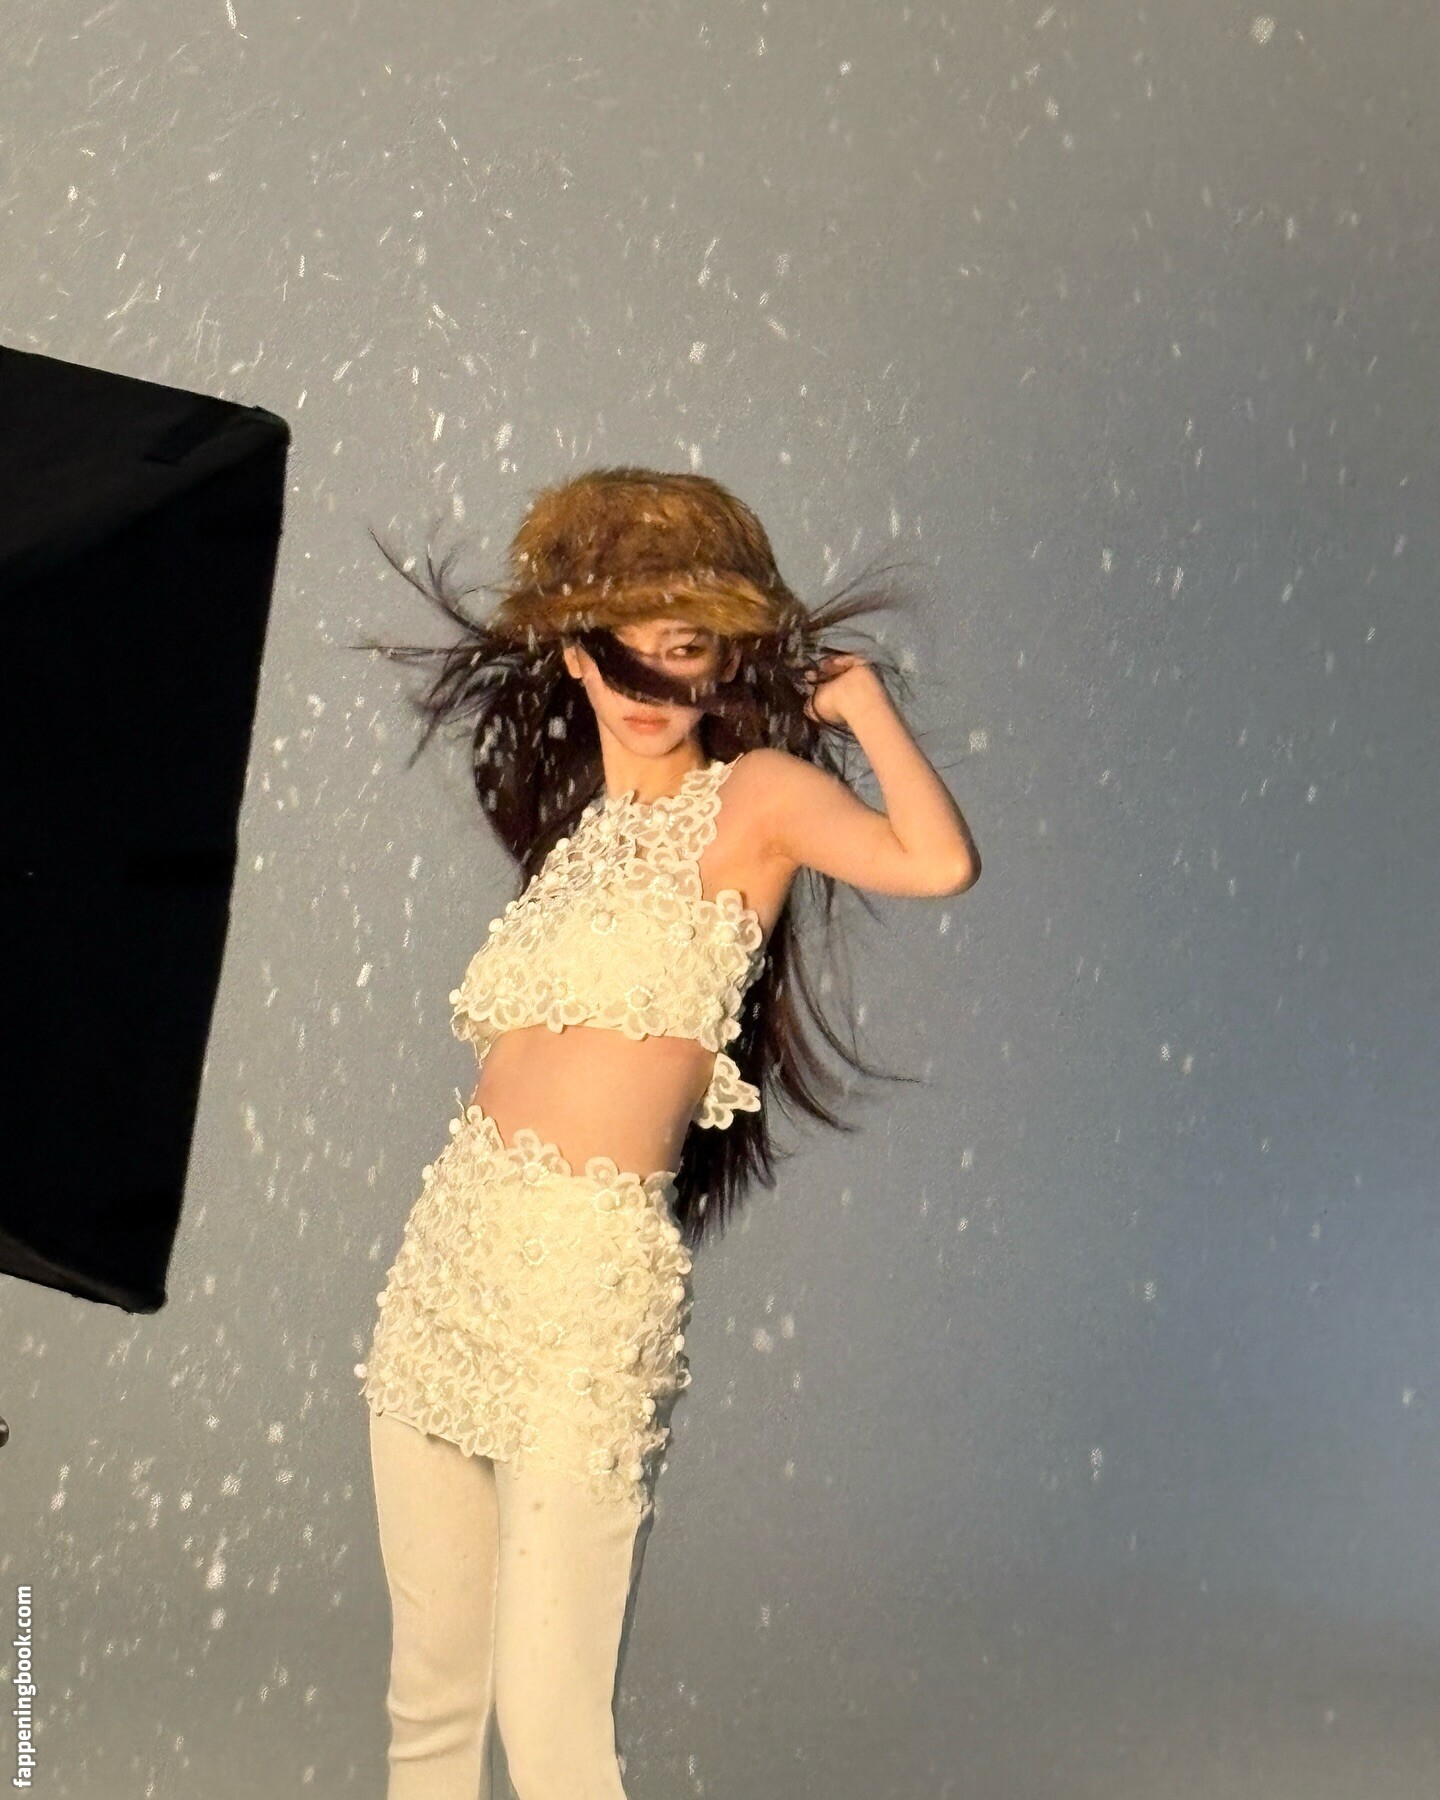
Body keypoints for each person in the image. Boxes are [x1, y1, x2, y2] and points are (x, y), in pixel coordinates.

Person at [349, 466, 979, 1799]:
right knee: (430, 1703)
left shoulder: (756, 799)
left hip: (589, 1284)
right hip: (448, 1259)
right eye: (622, 648)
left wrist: (862, 705)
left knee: (551, 1723)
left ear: (721, 658)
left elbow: (936, 862)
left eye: (682, 648)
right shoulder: (580, 837)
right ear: (576, 654)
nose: (649, 683)